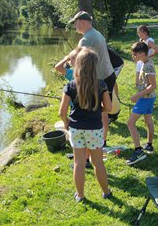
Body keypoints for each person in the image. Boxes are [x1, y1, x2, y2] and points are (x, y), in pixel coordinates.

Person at [59, 48, 113, 202]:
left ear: (78, 64)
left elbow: (62, 112)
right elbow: (109, 108)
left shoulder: (70, 85)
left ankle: (80, 195)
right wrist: (98, 108)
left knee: (79, 162)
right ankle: (106, 192)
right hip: (95, 129)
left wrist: (66, 123)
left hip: (76, 129)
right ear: (94, 65)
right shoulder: (101, 85)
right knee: (98, 162)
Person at [69, 11, 116, 147]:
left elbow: (78, 57)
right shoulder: (96, 33)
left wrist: (67, 60)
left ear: (82, 22)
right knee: (103, 111)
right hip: (108, 74)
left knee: (101, 111)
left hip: (100, 79)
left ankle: (99, 142)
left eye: (75, 23)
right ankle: (102, 140)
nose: (75, 26)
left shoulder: (86, 39)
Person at [126, 42, 157, 165]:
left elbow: (153, 86)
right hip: (149, 98)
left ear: (141, 54)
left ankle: (138, 151)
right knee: (148, 121)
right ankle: (149, 145)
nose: (133, 56)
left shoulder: (148, 66)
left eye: (134, 54)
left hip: (145, 99)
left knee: (130, 123)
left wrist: (137, 96)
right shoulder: (145, 63)